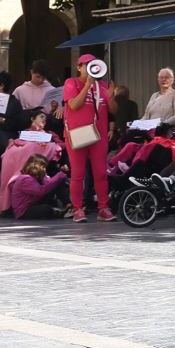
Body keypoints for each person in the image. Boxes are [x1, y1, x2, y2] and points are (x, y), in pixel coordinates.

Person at [61, 52, 116, 222]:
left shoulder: (103, 85)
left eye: (94, 64)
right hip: (77, 134)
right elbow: (74, 105)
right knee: (78, 173)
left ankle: (103, 208)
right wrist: (88, 86)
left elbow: (114, 111)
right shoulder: (71, 83)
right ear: (79, 67)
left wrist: (112, 96)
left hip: (98, 136)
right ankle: (78, 209)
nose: (91, 67)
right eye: (87, 64)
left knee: (100, 172)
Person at [7, 153, 69, 219]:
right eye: (43, 167)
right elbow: (40, 191)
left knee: (56, 183)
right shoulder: (25, 179)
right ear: (36, 167)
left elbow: (49, 184)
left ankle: (68, 205)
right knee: (46, 209)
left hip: (34, 203)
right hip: (24, 211)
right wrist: (59, 176)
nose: (45, 169)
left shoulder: (38, 177)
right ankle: (58, 212)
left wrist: (58, 176)